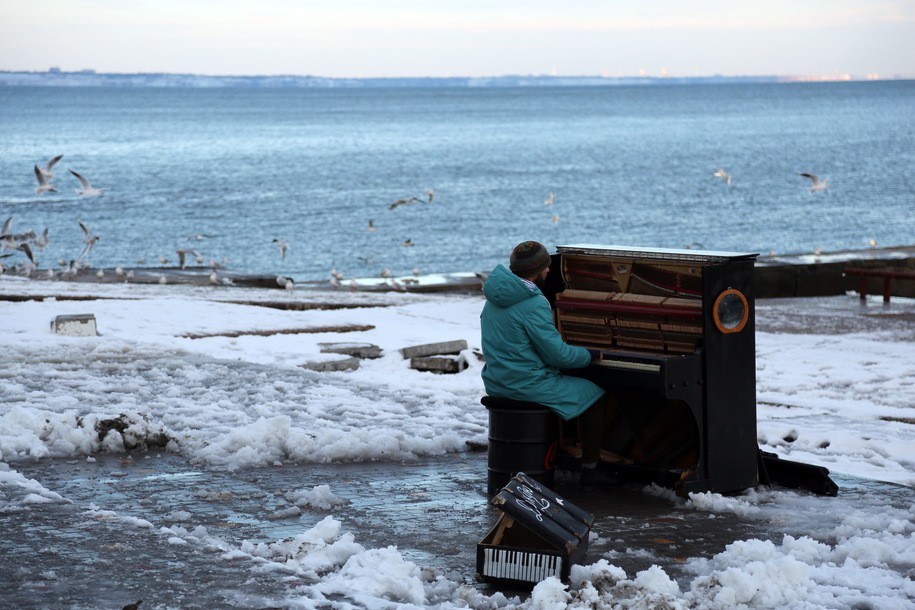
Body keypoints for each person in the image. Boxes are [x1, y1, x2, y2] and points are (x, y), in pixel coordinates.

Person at [480, 240, 620, 490]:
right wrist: (591, 353)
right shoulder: (533, 303)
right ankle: (590, 470)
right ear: (538, 270)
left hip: (497, 380)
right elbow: (559, 357)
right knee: (594, 395)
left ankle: (565, 455)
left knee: (573, 388)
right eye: (546, 267)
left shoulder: (494, 298)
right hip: (527, 384)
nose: (549, 271)